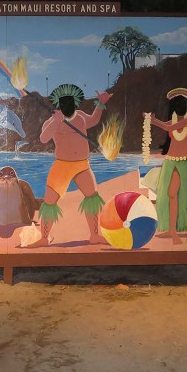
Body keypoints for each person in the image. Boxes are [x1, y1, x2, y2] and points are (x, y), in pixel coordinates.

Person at [26, 83, 112, 248]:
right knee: (49, 202)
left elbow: (94, 120)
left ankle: (94, 235)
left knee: (92, 197)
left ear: (75, 103)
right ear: (59, 105)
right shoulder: (52, 121)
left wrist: (101, 104)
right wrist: (56, 121)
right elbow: (43, 138)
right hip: (62, 166)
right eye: (64, 104)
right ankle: (44, 237)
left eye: (71, 103)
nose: (68, 107)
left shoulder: (80, 116)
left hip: (82, 165)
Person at [147, 87, 187, 244]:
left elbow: (169, 128)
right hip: (171, 161)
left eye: (180, 103)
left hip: (185, 161)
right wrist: (151, 120)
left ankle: (175, 231)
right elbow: (169, 126)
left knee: (178, 194)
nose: (178, 107)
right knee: (171, 194)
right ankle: (172, 230)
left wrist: (154, 121)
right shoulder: (173, 121)